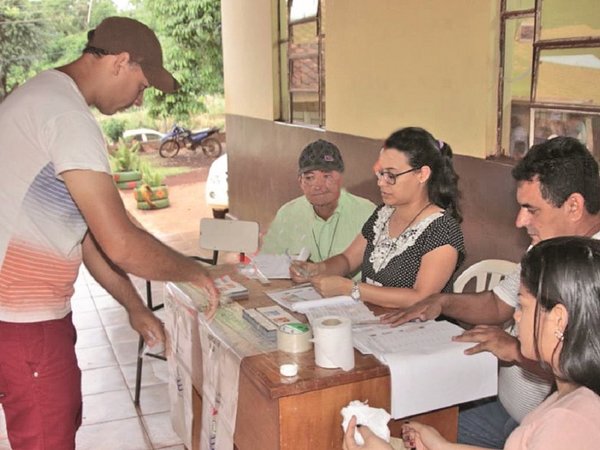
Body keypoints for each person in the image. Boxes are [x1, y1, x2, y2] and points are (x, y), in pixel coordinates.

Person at [0, 17, 219, 450]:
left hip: (23, 323)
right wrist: (195, 272)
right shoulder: (66, 116)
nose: (139, 100)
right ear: (120, 62)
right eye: (141, 87)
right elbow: (120, 241)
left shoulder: (41, 96)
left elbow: (87, 237)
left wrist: (135, 307)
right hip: (24, 325)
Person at [384, 136, 600, 447]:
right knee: (414, 424)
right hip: (506, 410)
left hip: (544, 432)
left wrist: (514, 349)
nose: (519, 220)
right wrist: (441, 301)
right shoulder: (543, 248)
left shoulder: (591, 271)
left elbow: (588, 367)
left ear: (574, 206)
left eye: (530, 209)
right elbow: (498, 303)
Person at [344, 236, 600, 450]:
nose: (516, 316)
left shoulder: (569, 422)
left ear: (558, 320)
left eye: (522, 305)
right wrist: (445, 447)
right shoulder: (572, 393)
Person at [291, 127, 465, 308]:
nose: (381, 182)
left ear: (422, 174)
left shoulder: (442, 229)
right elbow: (348, 260)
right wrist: (318, 268)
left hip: (421, 329)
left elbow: (421, 298)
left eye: (391, 175)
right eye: (380, 173)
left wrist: (351, 288)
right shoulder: (384, 214)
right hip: (375, 321)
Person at [261, 139, 376, 267]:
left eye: (327, 176)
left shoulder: (368, 213)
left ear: (340, 178)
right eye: (310, 178)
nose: (318, 186)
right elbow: (267, 262)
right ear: (300, 182)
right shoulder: (287, 214)